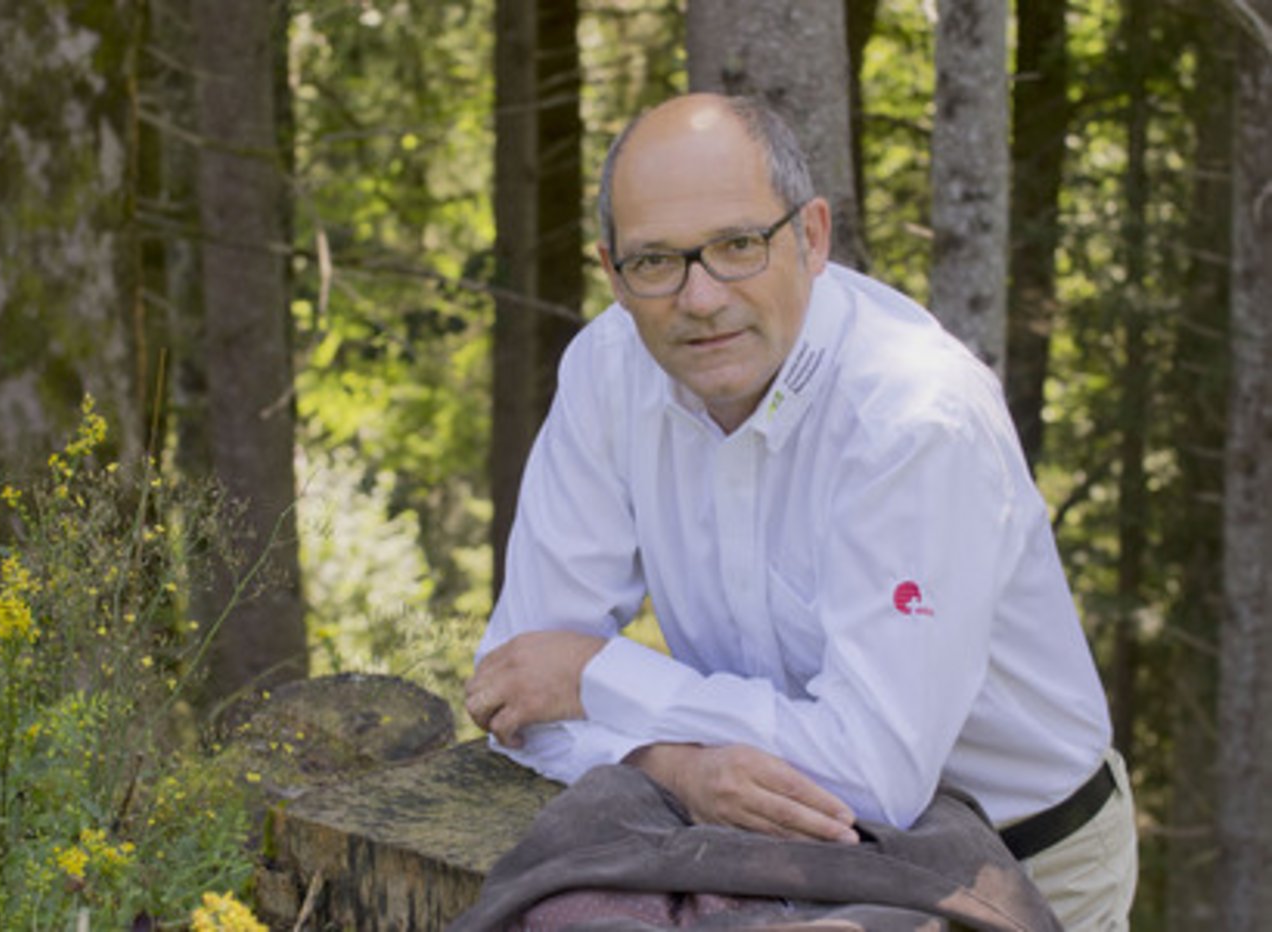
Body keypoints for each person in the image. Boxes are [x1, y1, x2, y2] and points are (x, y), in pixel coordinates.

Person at [465, 92, 1138, 930]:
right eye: (656, 262)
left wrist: (598, 677)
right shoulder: (609, 371)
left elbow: (875, 772)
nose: (701, 297)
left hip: (1024, 861)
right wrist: (676, 764)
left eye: (738, 246)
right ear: (612, 269)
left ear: (812, 237)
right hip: (785, 863)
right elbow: (516, 691)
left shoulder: (912, 417)